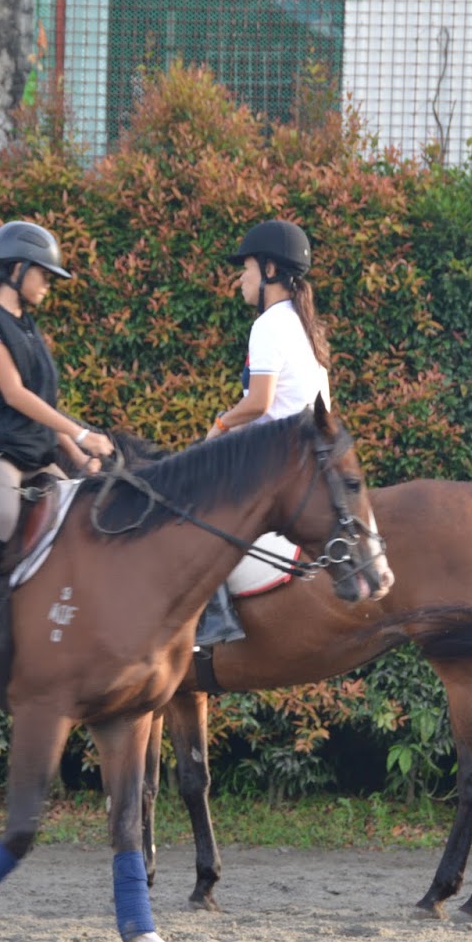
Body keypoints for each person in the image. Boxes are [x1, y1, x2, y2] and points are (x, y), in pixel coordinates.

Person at [0, 220, 114, 671]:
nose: (48, 284)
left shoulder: (26, 327)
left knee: (79, 510)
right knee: (3, 514)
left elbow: (42, 405)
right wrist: (83, 434)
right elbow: (13, 394)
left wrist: (76, 453)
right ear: (16, 269)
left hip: (34, 450)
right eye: (44, 274)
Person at [197, 218, 332, 647]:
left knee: (197, 509)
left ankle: (214, 616)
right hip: (305, 456)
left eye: (246, 270)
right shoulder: (303, 325)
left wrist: (218, 427)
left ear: (270, 271)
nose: (240, 279)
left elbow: (258, 402)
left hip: (275, 462)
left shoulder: (270, 324)